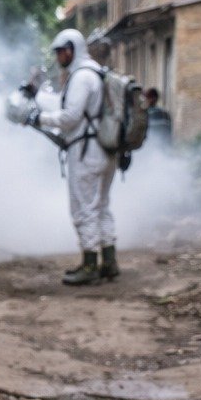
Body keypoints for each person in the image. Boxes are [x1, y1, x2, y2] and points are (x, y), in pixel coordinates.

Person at [23, 29, 119, 286]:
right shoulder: (96, 72)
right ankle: (109, 262)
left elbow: (69, 118)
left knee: (83, 208)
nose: (59, 57)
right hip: (107, 149)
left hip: (87, 151)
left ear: (73, 49)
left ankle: (90, 265)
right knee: (101, 207)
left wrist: (37, 118)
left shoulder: (81, 77)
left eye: (62, 51)